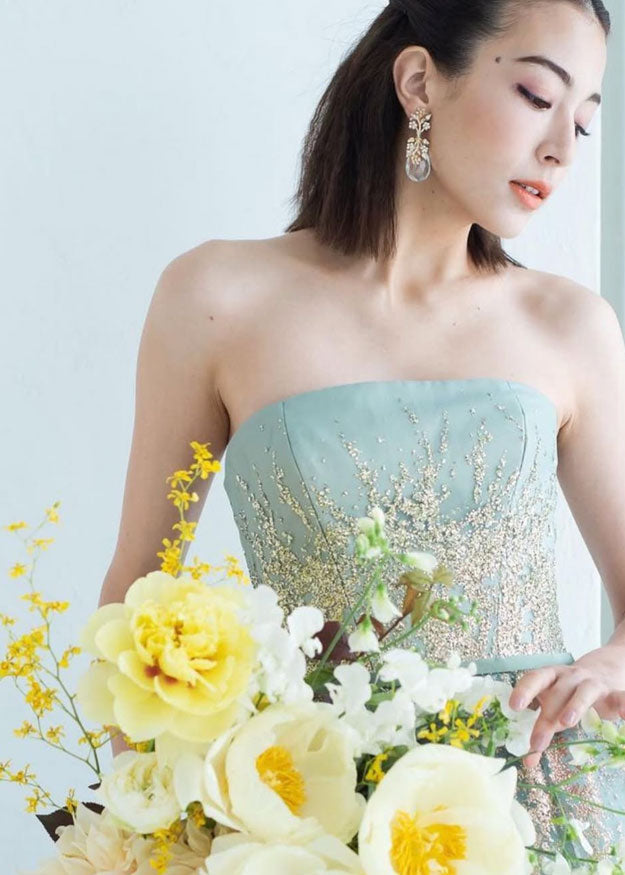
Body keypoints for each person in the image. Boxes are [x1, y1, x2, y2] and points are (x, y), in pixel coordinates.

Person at [99, 0, 625, 857]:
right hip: (303, 807)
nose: (561, 148)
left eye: (585, 124)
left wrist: (607, 665)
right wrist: (145, 830)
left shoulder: (569, 326)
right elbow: (136, 604)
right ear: (418, 80)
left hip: (532, 810)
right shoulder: (217, 298)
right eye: (537, 95)